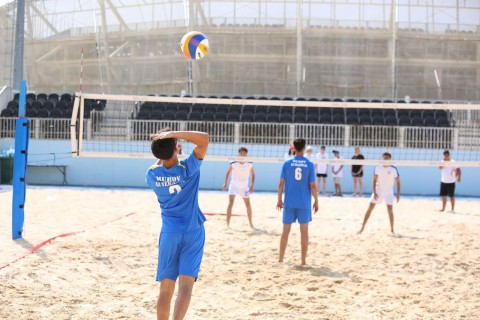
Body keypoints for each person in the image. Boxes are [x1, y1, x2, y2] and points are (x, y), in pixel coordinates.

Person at [145, 129, 209, 320]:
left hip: (169, 234)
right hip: (193, 231)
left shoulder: (152, 175)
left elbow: (161, 161)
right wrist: (174, 133)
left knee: (165, 289)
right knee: (186, 286)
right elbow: (204, 139)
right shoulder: (188, 168)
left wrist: (166, 145)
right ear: (176, 149)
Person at [277, 138, 319, 266]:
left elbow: (280, 184)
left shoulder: (287, 163)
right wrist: (316, 201)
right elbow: (313, 186)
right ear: (305, 148)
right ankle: (303, 261)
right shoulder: (310, 164)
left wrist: (279, 200)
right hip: (304, 202)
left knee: (285, 231)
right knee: (304, 232)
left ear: (293, 148)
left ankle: (281, 259)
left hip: (289, 202)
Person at [358, 152, 400, 235]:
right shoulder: (378, 167)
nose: (385, 159)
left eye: (387, 158)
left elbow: (398, 182)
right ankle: (362, 228)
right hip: (378, 191)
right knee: (369, 208)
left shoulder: (393, 169)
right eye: (384, 157)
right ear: (382, 158)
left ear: (390, 159)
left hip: (389, 193)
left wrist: (398, 194)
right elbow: (374, 180)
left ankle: (392, 230)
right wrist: (374, 191)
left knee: (390, 210)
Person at [222, 147, 256, 228]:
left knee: (248, 204)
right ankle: (227, 224)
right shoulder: (234, 162)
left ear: (246, 154)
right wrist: (225, 183)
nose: (242, 154)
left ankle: (251, 224)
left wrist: (252, 185)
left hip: (244, 187)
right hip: (233, 185)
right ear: (239, 153)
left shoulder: (249, 163)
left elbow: (253, 174)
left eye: (244, 153)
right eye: (241, 153)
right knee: (231, 203)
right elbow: (228, 172)